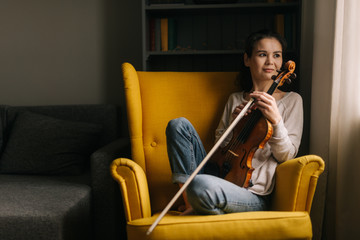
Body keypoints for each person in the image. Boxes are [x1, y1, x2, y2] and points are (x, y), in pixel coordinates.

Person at [165, 29, 303, 215]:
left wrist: (276, 120)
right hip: (217, 174)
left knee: (199, 184)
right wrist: (234, 124)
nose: (271, 62)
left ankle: (201, 202)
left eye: (276, 55)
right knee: (178, 125)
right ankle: (191, 202)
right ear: (247, 59)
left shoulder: (292, 101)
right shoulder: (235, 99)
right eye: (262, 54)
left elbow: (287, 156)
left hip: (251, 193)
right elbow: (219, 148)